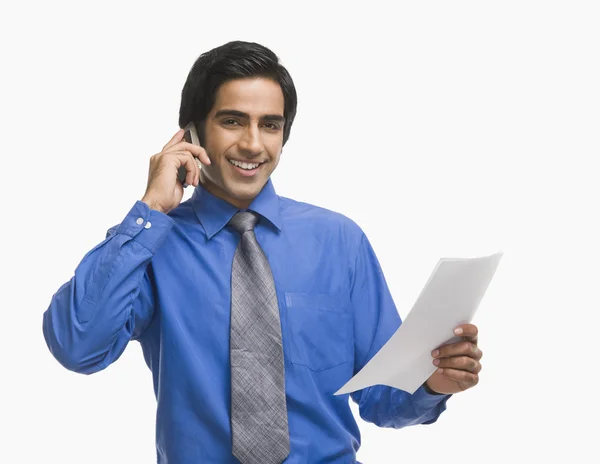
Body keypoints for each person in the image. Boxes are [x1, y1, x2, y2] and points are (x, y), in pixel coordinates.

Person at [43, 41, 484, 464]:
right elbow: (77, 346)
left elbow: (383, 398)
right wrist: (151, 208)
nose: (254, 144)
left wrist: (433, 382)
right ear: (192, 131)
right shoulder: (149, 244)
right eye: (232, 121)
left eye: (270, 124)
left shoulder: (339, 241)